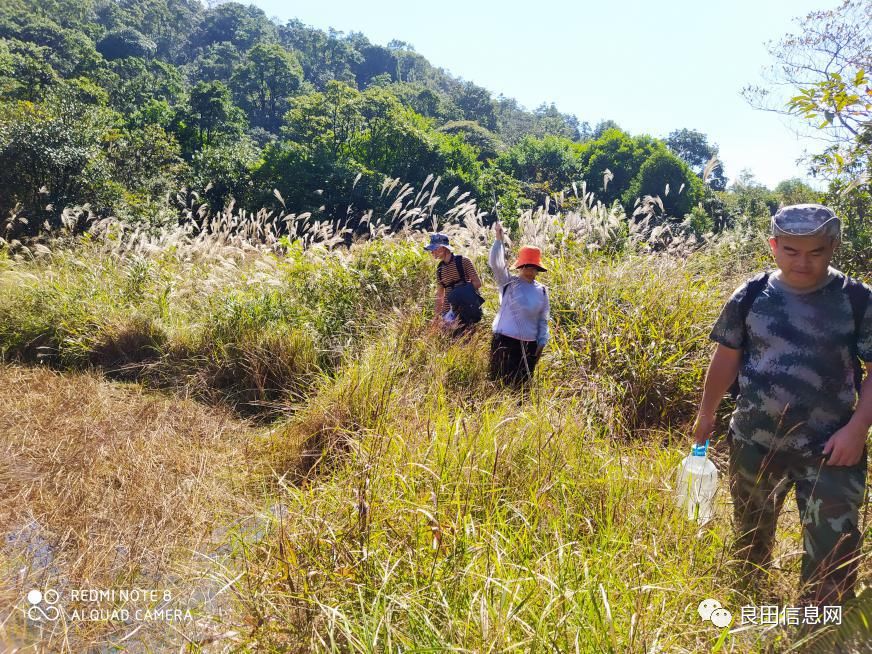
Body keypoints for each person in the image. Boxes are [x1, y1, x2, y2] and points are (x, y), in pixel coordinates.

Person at [691, 204, 872, 607]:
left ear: (833, 247)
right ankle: (751, 612)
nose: (803, 263)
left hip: (832, 449)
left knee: (834, 554)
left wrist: (857, 429)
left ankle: (821, 628)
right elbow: (726, 357)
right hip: (755, 442)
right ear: (774, 246)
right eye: (791, 251)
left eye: (816, 252)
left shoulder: (857, 299)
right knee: (750, 539)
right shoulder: (752, 294)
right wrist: (706, 414)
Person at [488, 222, 550, 386]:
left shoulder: (542, 291)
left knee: (521, 388)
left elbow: (543, 320)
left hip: (529, 346)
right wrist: (498, 240)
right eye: (526, 266)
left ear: (538, 269)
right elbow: (496, 264)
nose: (530, 270)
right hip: (504, 342)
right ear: (520, 266)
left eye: (533, 267)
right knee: (499, 385)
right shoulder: (508, 282)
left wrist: (541, 342)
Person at [423, 233, 483, 336]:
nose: (432, 252)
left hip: (465, 310)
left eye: (435, 249)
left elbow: (477, 283)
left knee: (467, 339)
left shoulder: (463, 261)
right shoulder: (440, 268)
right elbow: (440, 295)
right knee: (449, 342)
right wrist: (437, 316)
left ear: (444, 248)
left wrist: (458, 295)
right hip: (448, 315)